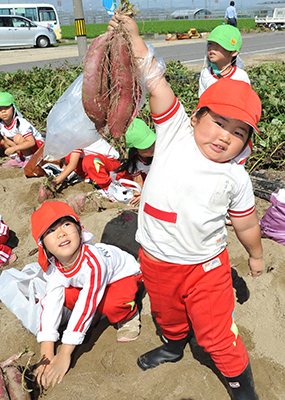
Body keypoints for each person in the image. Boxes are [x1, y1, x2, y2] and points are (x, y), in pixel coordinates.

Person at [108, 15, 264, 400]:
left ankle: (242, 387)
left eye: (239, 132)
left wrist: (256, 257)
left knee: (216, 333)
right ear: (196, 117)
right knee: (167, 315)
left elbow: (245, 224)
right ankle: (174, 346)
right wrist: (134, 36)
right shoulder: (175, 129)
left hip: (204, 267)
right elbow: (155, 80)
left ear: (245, 144)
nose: (225, 135)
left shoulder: (235, 177)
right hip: (156, 258)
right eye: (218, 122)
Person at [31, 200, 142, 388]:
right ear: (43, 245)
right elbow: (51, 304)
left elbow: (86, 303)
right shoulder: (53, 268)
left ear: (80, 230)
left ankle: (129, 315)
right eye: (50, 231)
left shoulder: (93, 262)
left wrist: (65, 353)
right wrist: (47, 352)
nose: (61, 233)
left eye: (66, 224)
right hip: (91, 286)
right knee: (61, 296)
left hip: (124, 277)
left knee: (113, 304)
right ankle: (99, 313)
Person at [199, 24, 250, 97]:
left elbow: (246, 101)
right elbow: (202, 101)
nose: (212, 48)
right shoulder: (205, 74)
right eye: (210, 43)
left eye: (218, 45)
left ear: (233, 52)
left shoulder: (241, 76)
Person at [115, 118, 156, 207]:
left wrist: (147, 195)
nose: (152, 148)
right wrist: (137, 194)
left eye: (153, 143)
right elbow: (138, 183)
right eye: (146, 147)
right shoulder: (135, 164)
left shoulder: (162, 153)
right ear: (135, 151)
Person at [0, 92, 44, 168]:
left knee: (17, 137)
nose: (3, 111)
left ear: (13, 107)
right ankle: (17, 159)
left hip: (38, 148)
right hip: (23, 148)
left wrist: (14, 148)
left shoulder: (20, 122)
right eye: (0, 109)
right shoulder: (2, 125)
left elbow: (31, 142)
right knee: (3, 139)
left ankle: (29, 158)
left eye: (6, 107)